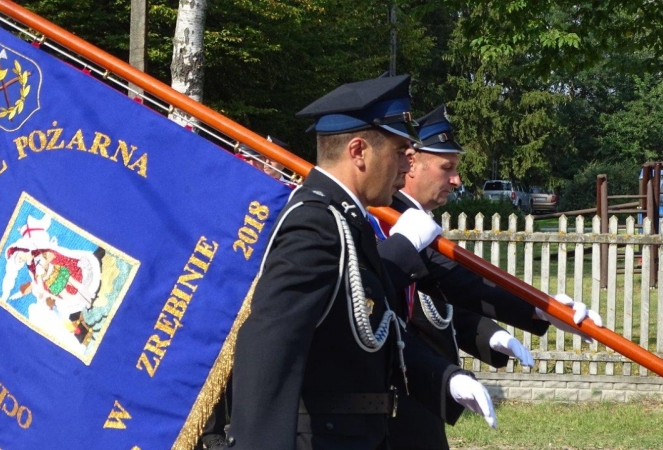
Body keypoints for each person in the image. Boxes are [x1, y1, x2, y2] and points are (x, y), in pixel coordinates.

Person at [227, 75, 494, 450]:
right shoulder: (315, 224)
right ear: (358, 151)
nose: (406, 165)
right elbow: (268, 348)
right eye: (399, 151)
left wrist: (446, 378)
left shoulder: (347, 220)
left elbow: (375, 328)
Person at [373, 105, 603, 449]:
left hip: (420, 381)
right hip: (392, 391)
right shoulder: (386, 220)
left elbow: (457, 284)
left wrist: (542, 308)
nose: (457, 180)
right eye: (447, 168)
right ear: (412, 164)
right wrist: (539, 308)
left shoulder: (409, 220)